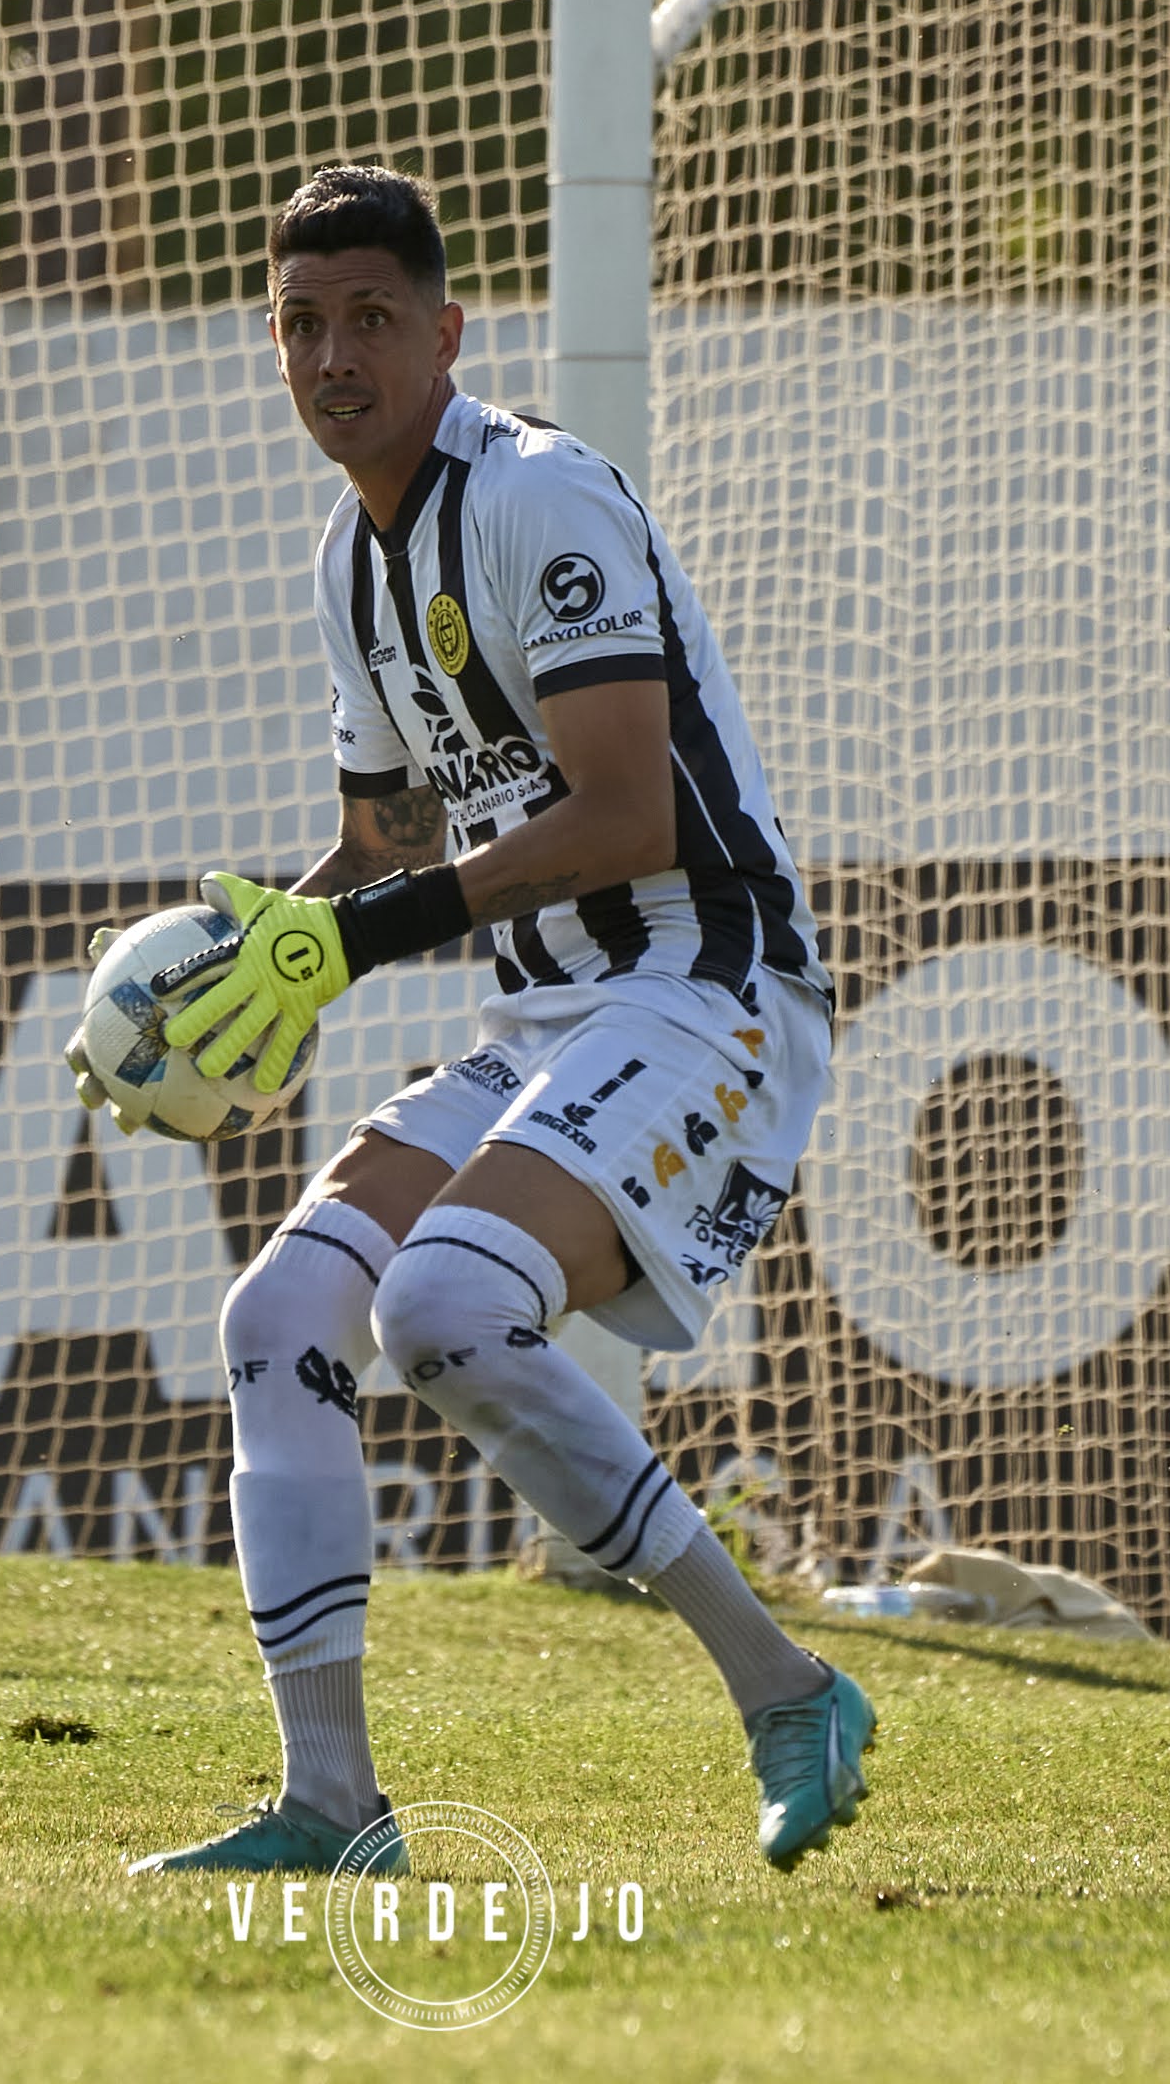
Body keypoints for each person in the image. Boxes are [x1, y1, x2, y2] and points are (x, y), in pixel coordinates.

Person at [88, 164, 869, 1878]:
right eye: (302, 325)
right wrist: (230, 979)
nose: (335, 355)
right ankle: (329, 1804)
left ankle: (789, 1692)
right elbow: (386, 846)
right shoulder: (349, 566)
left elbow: (624, 819)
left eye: (372, 318)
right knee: (282, 1312)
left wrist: (351, 942)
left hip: (706, 984)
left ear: (447, 334)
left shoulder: (540, 497)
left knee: (444, 1303)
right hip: (553, 1018)